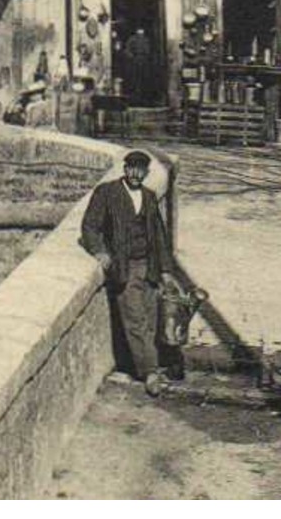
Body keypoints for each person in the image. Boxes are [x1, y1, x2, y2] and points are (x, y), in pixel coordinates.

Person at [80, 149, 176, 396]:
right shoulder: (107, 193)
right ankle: (150, 371)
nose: (135, 173)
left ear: (146, 173)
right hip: (125, 267)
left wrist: (165, 270)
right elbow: (89, 227)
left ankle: (145, 361)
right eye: (131, 168)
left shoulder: (149, 196)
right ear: (125, 169)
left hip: (149, 265)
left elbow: (160, 236)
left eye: (140, 170)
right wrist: (100, 252)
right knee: (135, 319)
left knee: (151, 317)